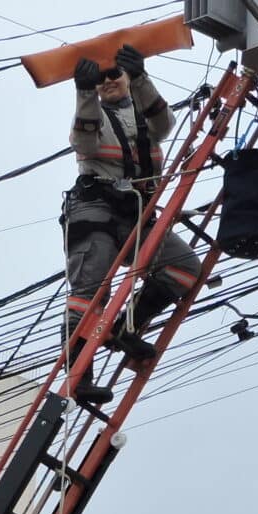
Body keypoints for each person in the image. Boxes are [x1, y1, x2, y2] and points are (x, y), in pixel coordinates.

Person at [62, 42, 204, 406]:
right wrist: (83, 90)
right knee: (89, 293)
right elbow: (84, 142)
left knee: (186, 268)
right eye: (102, 78)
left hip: (135, 217)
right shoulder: (93, 117)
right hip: (95, 214)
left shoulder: (146, 121)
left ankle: (125, 329)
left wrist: (140, 78)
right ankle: (80, 376)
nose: (108, 81)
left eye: (115, 74)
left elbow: (164, 122)